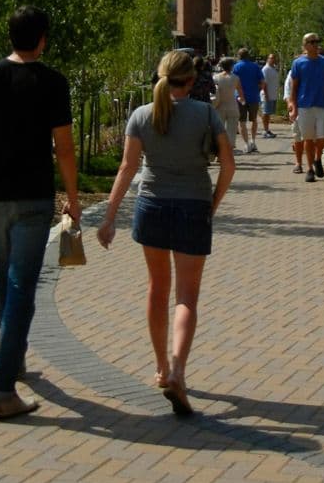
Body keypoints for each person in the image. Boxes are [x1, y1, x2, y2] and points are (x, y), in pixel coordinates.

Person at [0, 5, 80, 420]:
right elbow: (64, 147)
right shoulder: (52, 82)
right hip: (32, 198)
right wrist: (73, 197)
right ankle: (2, 389)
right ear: (42, 38)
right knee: (22, 287)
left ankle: (15, 358)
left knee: (4, 280)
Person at [97, 50, 235, 416]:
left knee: (157, 288)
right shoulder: (206, 114)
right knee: (186, 298)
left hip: (152, 207)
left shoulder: (141, 115)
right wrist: (212, 204)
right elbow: (228, 165)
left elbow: (127, 168)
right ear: (192, 81)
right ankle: (178, 370)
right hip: (193, 207)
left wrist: (109, 218)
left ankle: (160, 368)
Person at [288, 33, 324, 182]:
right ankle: (309, 168)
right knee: (308, 139)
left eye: (317, 41)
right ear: (305, 45)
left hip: (321, 104)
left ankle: (318, 159)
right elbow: (294, 87)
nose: (316, 44)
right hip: (304, 106)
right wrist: (294, 107)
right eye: (312, 42)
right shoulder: (298, 63)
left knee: (322, 137)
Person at [232, 47, 265, 153]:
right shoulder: (255, 66)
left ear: (239, 56)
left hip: (240, 97)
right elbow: (263, 82)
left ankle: (246, 144)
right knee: (254, 120)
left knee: (242, 121)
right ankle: (253, 141)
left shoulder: (236, 67)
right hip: (254, 96)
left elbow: (233, 82)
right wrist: (258, 89)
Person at [212, 56, 242, 149]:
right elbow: (240, 92)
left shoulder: (215, 77)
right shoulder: (235, 78)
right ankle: (229, 148)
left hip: (219, 106)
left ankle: (219, 150)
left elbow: (213, 92)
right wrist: (243, 100)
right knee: (232, 130)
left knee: (219, 131)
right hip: (232, 106)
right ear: (231, 66)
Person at [284, 61, 305, 172]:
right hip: (298, 108)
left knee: (314, 138)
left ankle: (316, 161)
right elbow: (287, 91)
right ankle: (298, 163)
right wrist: (291, 105)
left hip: (312, 107)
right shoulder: (292, 74)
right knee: (298, 137)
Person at [260, 53, 279, 138]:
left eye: (274, 58)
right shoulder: (266, 69)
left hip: (273, 95)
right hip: (267, 95)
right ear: (268, 59)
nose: (273, 59)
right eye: (271, 58)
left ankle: (267, 129)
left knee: (268, 114)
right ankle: (265, 130)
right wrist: (266, 95)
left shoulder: (273, 68)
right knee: (265, 113)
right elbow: (264, 83)